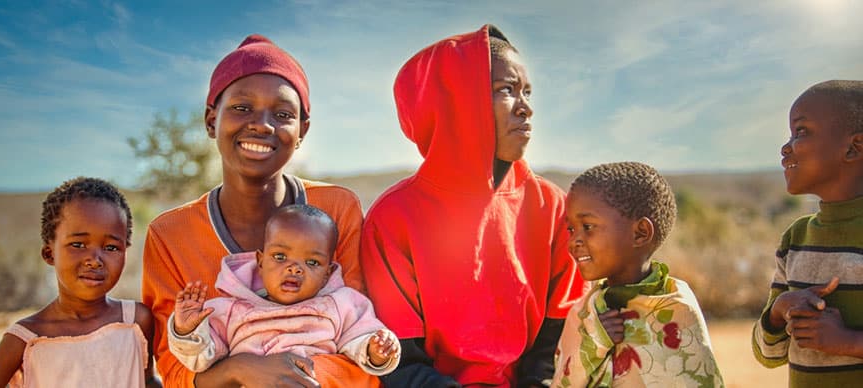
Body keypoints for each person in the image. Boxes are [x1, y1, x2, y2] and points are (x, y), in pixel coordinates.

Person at [360, 24, 585, 387]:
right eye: (506, 91)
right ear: (455, 100)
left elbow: (554, 350)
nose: (526, 107)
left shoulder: (552, 207)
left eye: (527, 91)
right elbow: (400, 363)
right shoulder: (394, 217)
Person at [141, 34, 366, 388]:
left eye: (282, 114)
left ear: (302, 130)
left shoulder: (337, 208)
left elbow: (364, 343)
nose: (262, 124)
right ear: (211, 120)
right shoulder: (171, 233)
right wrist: (239, 370)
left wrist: (289, 375)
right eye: (242, 108)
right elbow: (173, 368)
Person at [166, 204, 399, 379]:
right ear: (260, 260)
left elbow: (361, 338)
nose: (294, 268)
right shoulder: (231, 309)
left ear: (327, 274)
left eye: (312, 263)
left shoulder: (340, 304)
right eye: (280, 257)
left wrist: (377, 351)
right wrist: (187, 330)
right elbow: (201, 359)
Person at [0, 177, 159, 388]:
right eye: (78, 244)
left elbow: (149, 381)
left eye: (111, 247)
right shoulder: (27, 339)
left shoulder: (136, 321)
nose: (95, 260)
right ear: (49, 253)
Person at [552, 162, 723, 387]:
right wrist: (594, 342)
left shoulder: (678, 307)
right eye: (571, 229)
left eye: (588, 226)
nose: (574, 240)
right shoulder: (585, 314)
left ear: (640, 233)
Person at [752, 80, 863, 387]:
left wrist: (848, 341)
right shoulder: (795, 238)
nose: (786, 147)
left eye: (801, 132)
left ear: (854, 148)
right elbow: (768, 353)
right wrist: (779, 311)